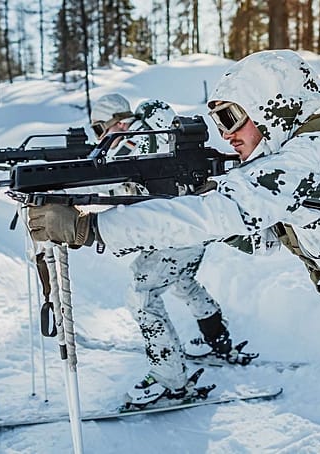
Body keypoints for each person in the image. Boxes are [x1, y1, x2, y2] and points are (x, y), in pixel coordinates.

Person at [26, 50, 320, 452]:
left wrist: (91, 228)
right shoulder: (294, 155)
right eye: (219, 121)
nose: (226, 133)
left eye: (232, 117)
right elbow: (273, 232)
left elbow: (218, 213)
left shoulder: (306, 155)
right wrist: (224, 215)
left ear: (273, 107)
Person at [89, 93, 257, 406]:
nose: (100, 137)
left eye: (100, 128)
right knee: (183, 283)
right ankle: (218, 342)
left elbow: (101, 183)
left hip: (173, 233)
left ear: (118, 122)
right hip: (194, 226)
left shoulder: (129, 141)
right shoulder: (160, 132)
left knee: (142, 295)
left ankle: (170, 381)